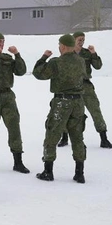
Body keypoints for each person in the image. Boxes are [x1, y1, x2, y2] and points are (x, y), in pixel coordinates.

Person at [33, 34, 87, 184]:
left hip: (61, 102)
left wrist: (43, 58)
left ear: (63, 46)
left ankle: (48, 171)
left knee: (52, 134)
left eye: (59, 45)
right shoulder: (81, 61)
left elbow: (39, 74)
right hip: (78, 102)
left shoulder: (57, 62)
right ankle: (79, 172)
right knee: (77, 136)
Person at [0, 32, 30, 173]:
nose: (0, 44)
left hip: (7, 96)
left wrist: (17, 55)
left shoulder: (7, 58)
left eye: (2, 42)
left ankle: (18, 161)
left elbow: (21, 71)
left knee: (14, 127)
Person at [58, 31, 112, 149]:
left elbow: (98, 66)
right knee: (67, 112)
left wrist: (94, 53)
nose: (81, 42)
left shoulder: (87, 53)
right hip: (71, 87)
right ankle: (64, 137)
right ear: (73, 40)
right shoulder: (66, 53)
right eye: (79, 39)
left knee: (95, 110)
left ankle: (103, 138)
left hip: (85, 86)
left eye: (83, 40)